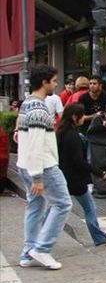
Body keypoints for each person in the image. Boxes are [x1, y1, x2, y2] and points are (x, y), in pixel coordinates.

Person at [16, 64, 72, 270]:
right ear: (44, 82)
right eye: (54, 81)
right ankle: (41, 249)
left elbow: (23, 136)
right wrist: (38, 177)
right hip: (44, 166)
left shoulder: (26, 104)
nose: (56, 85)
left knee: (35, 206)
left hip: (25, 164)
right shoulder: (39, 108)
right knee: (63, 204)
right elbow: (37, 142)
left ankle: (28, 252)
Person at [56, 103, 106, 246]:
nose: (84, 118)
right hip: (76, 179)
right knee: (89, 208)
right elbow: (79, 161)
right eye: (82, 115)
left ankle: (42, 235)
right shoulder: (73, 136)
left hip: (63, 176)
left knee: (57, 208)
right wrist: (99, 172)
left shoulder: (60, 133)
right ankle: (99, 238)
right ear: (74, 117)